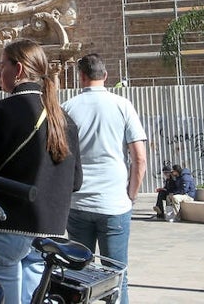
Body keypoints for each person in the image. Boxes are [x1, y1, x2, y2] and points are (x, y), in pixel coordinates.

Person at [0, 39, 82, 304]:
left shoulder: (3, 110)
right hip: (49, 231)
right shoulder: (64, 119)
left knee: (2, 298)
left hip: (6, 225)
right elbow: (76, 181)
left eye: (2, 66)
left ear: (18, 69)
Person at [62, 53, 146, 304]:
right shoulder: (122, 105)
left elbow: (60, 156)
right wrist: (131, 194)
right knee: (117, 276)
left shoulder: (68, 108)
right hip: (114, 203)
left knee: (78, 276)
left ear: (82, 76)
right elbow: (139, 158)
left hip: (78, 203)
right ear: (106, 76)